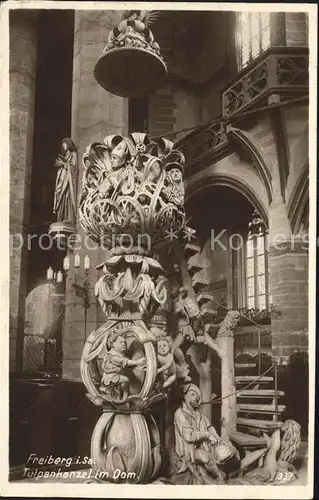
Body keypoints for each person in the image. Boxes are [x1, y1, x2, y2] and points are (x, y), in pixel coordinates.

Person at [174, 383, 238, 482]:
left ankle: (221, 471)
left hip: (204, 445)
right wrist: (207, 435)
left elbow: (209, 427)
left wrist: (217, 438)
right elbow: (189, 436)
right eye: (192, 394)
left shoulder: (199, 414)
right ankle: (219, 477)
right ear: (184, 396)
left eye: (197, 396)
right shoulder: (180, 413)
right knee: (206, 458)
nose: (195, 398)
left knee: (229, 450)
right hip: (188, 449)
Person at [100, 333, 146, 400]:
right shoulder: (112, 355)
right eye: (121, 342)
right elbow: (124, 362)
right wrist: (137, 362)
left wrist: (139, 367)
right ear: (113, 344)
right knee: (125, 380)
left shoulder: (120, 354)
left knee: (123, 382)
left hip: (117, 375)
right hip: (110, 376)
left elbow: (126, 366)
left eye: (124, 342)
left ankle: (122, 397)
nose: (123, 344)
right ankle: (124, 397)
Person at [53, 138, 77, 224]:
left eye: (65, 144)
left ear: (69, 144)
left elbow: (74, 168)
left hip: (68, 181)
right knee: (60, 197)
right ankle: (60, 218)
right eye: (63, 144)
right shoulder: (65, 156)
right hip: (61, 180)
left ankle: (69, 217)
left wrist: (63, 164)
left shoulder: (73, 154)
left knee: (67, 197)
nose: (63, 146)